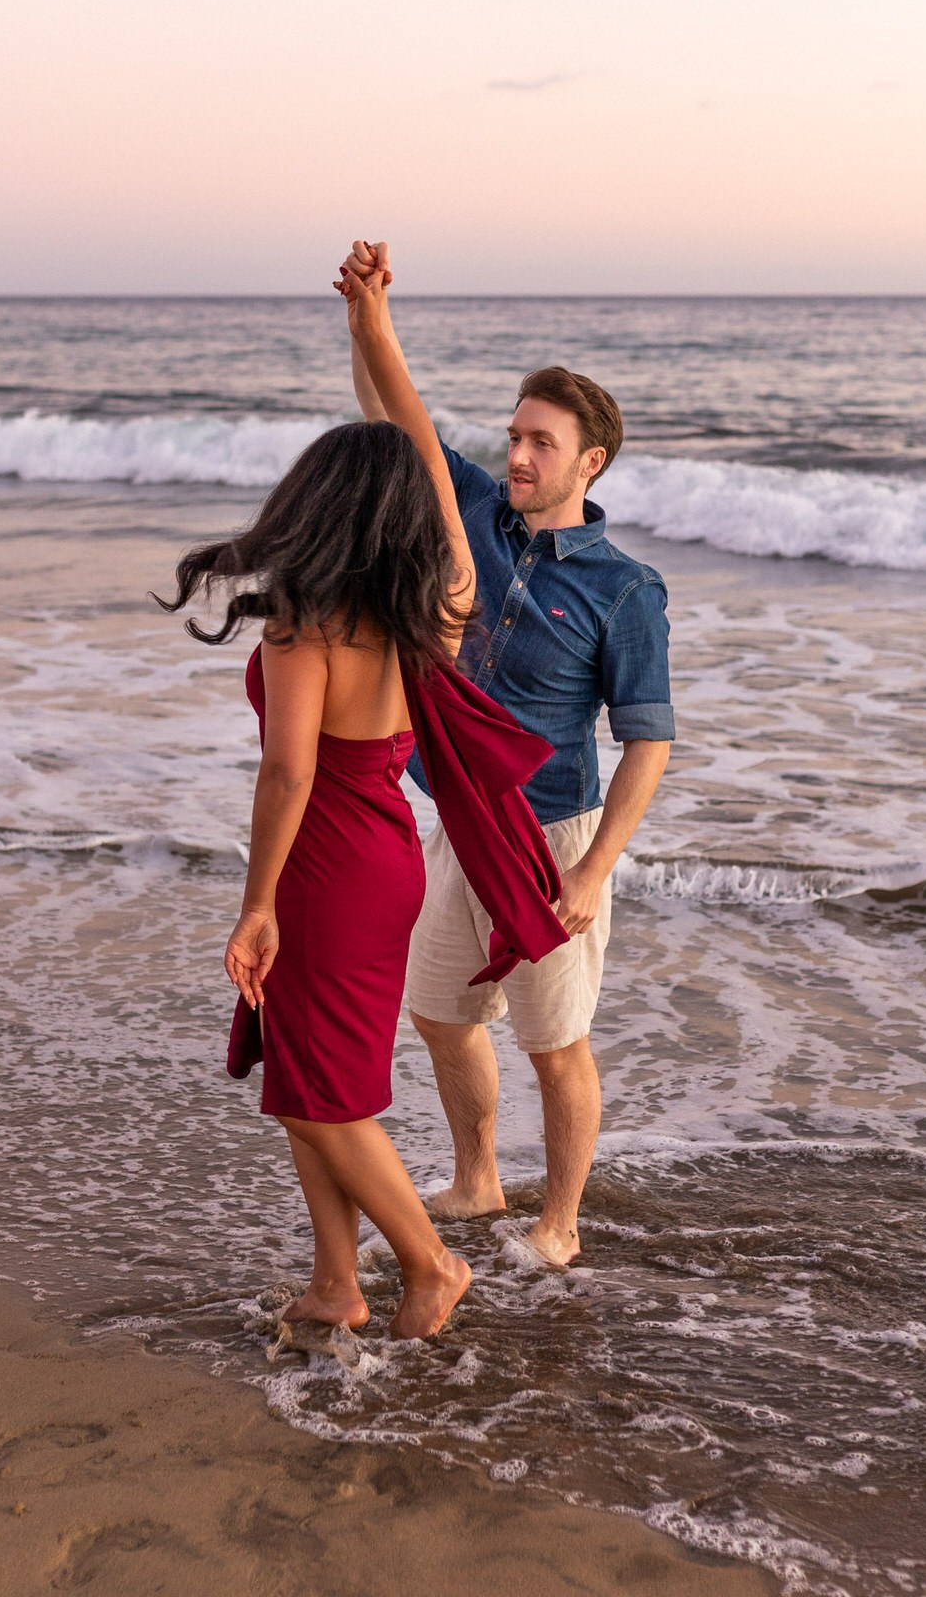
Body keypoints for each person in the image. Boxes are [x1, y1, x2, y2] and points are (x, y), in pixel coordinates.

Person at [156, 264, 562, 1338]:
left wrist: (255, 904)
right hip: (381, 852)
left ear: (317, 501)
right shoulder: (440, 601)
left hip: (326, 868)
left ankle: (428, 1265)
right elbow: (422, 447)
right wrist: (369, 326)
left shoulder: (306, 621)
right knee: (305, 1080)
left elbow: (287, 773)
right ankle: (337, 1284)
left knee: (324, 1096)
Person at [339, 241, 675, 1268]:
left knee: (555, 1045)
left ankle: (560, 1220)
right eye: (514, 436)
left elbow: (648, 742)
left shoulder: (624, 588)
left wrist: (591, 869)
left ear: (590, 462)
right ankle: (478, 1175)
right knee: (439, 1014)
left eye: (540, 441)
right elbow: (396, 425)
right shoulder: (478, 514)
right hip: (456, 822)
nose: (518, 455)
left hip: (552, 831)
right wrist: (367, 322)